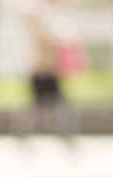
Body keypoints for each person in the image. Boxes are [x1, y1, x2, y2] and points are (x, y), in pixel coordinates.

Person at [16, 0, 80, 144]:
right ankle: (25, 133)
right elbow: (44, 38)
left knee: (53, 105)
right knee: (41, 105)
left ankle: (63, 133)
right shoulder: (39, 16)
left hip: (50, 70)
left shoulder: (51, 17)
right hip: (41, 70)